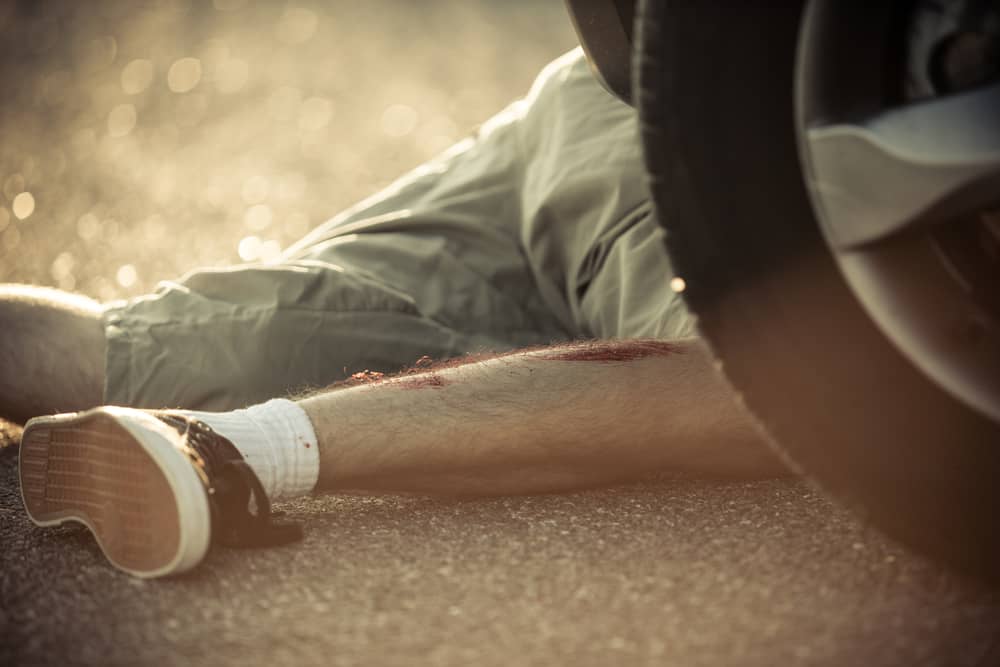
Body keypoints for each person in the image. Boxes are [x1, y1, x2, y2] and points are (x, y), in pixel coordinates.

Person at [5, 49, 788, 578]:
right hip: (711, 128)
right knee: (764, 385)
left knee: (193, 346)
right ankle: (231, 449)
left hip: (593, 85)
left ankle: (218, 433)